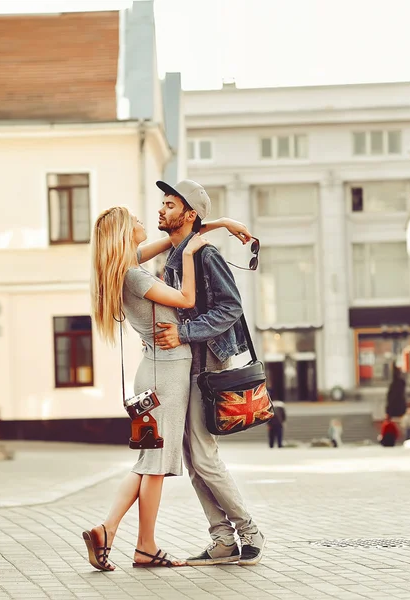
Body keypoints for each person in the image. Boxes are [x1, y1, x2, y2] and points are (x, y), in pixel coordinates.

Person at [83, 206, 253, 571]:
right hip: (168, 376)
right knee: (156, 465)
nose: (144, 221)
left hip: (154, 374)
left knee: (148, 462)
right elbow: (188, 300)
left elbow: (173, 238)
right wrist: (191, 254)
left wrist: (221, 223)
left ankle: (108, 530)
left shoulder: (123, 266)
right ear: (124, 234)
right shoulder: (135, 277)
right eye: (135, 221)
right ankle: (143, 545)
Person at [153, 179, 265, 567]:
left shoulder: (205, 255)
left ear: (188, 213)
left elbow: (230, 306)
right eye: (162, 203)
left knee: (203, 456)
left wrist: (184, 332)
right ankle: (222, 539)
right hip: (184, 364)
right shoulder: (178, 251)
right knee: (191, 455)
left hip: (206, 363)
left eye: (170, 204)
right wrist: (221, 221)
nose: (161, 209)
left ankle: (248, 531)